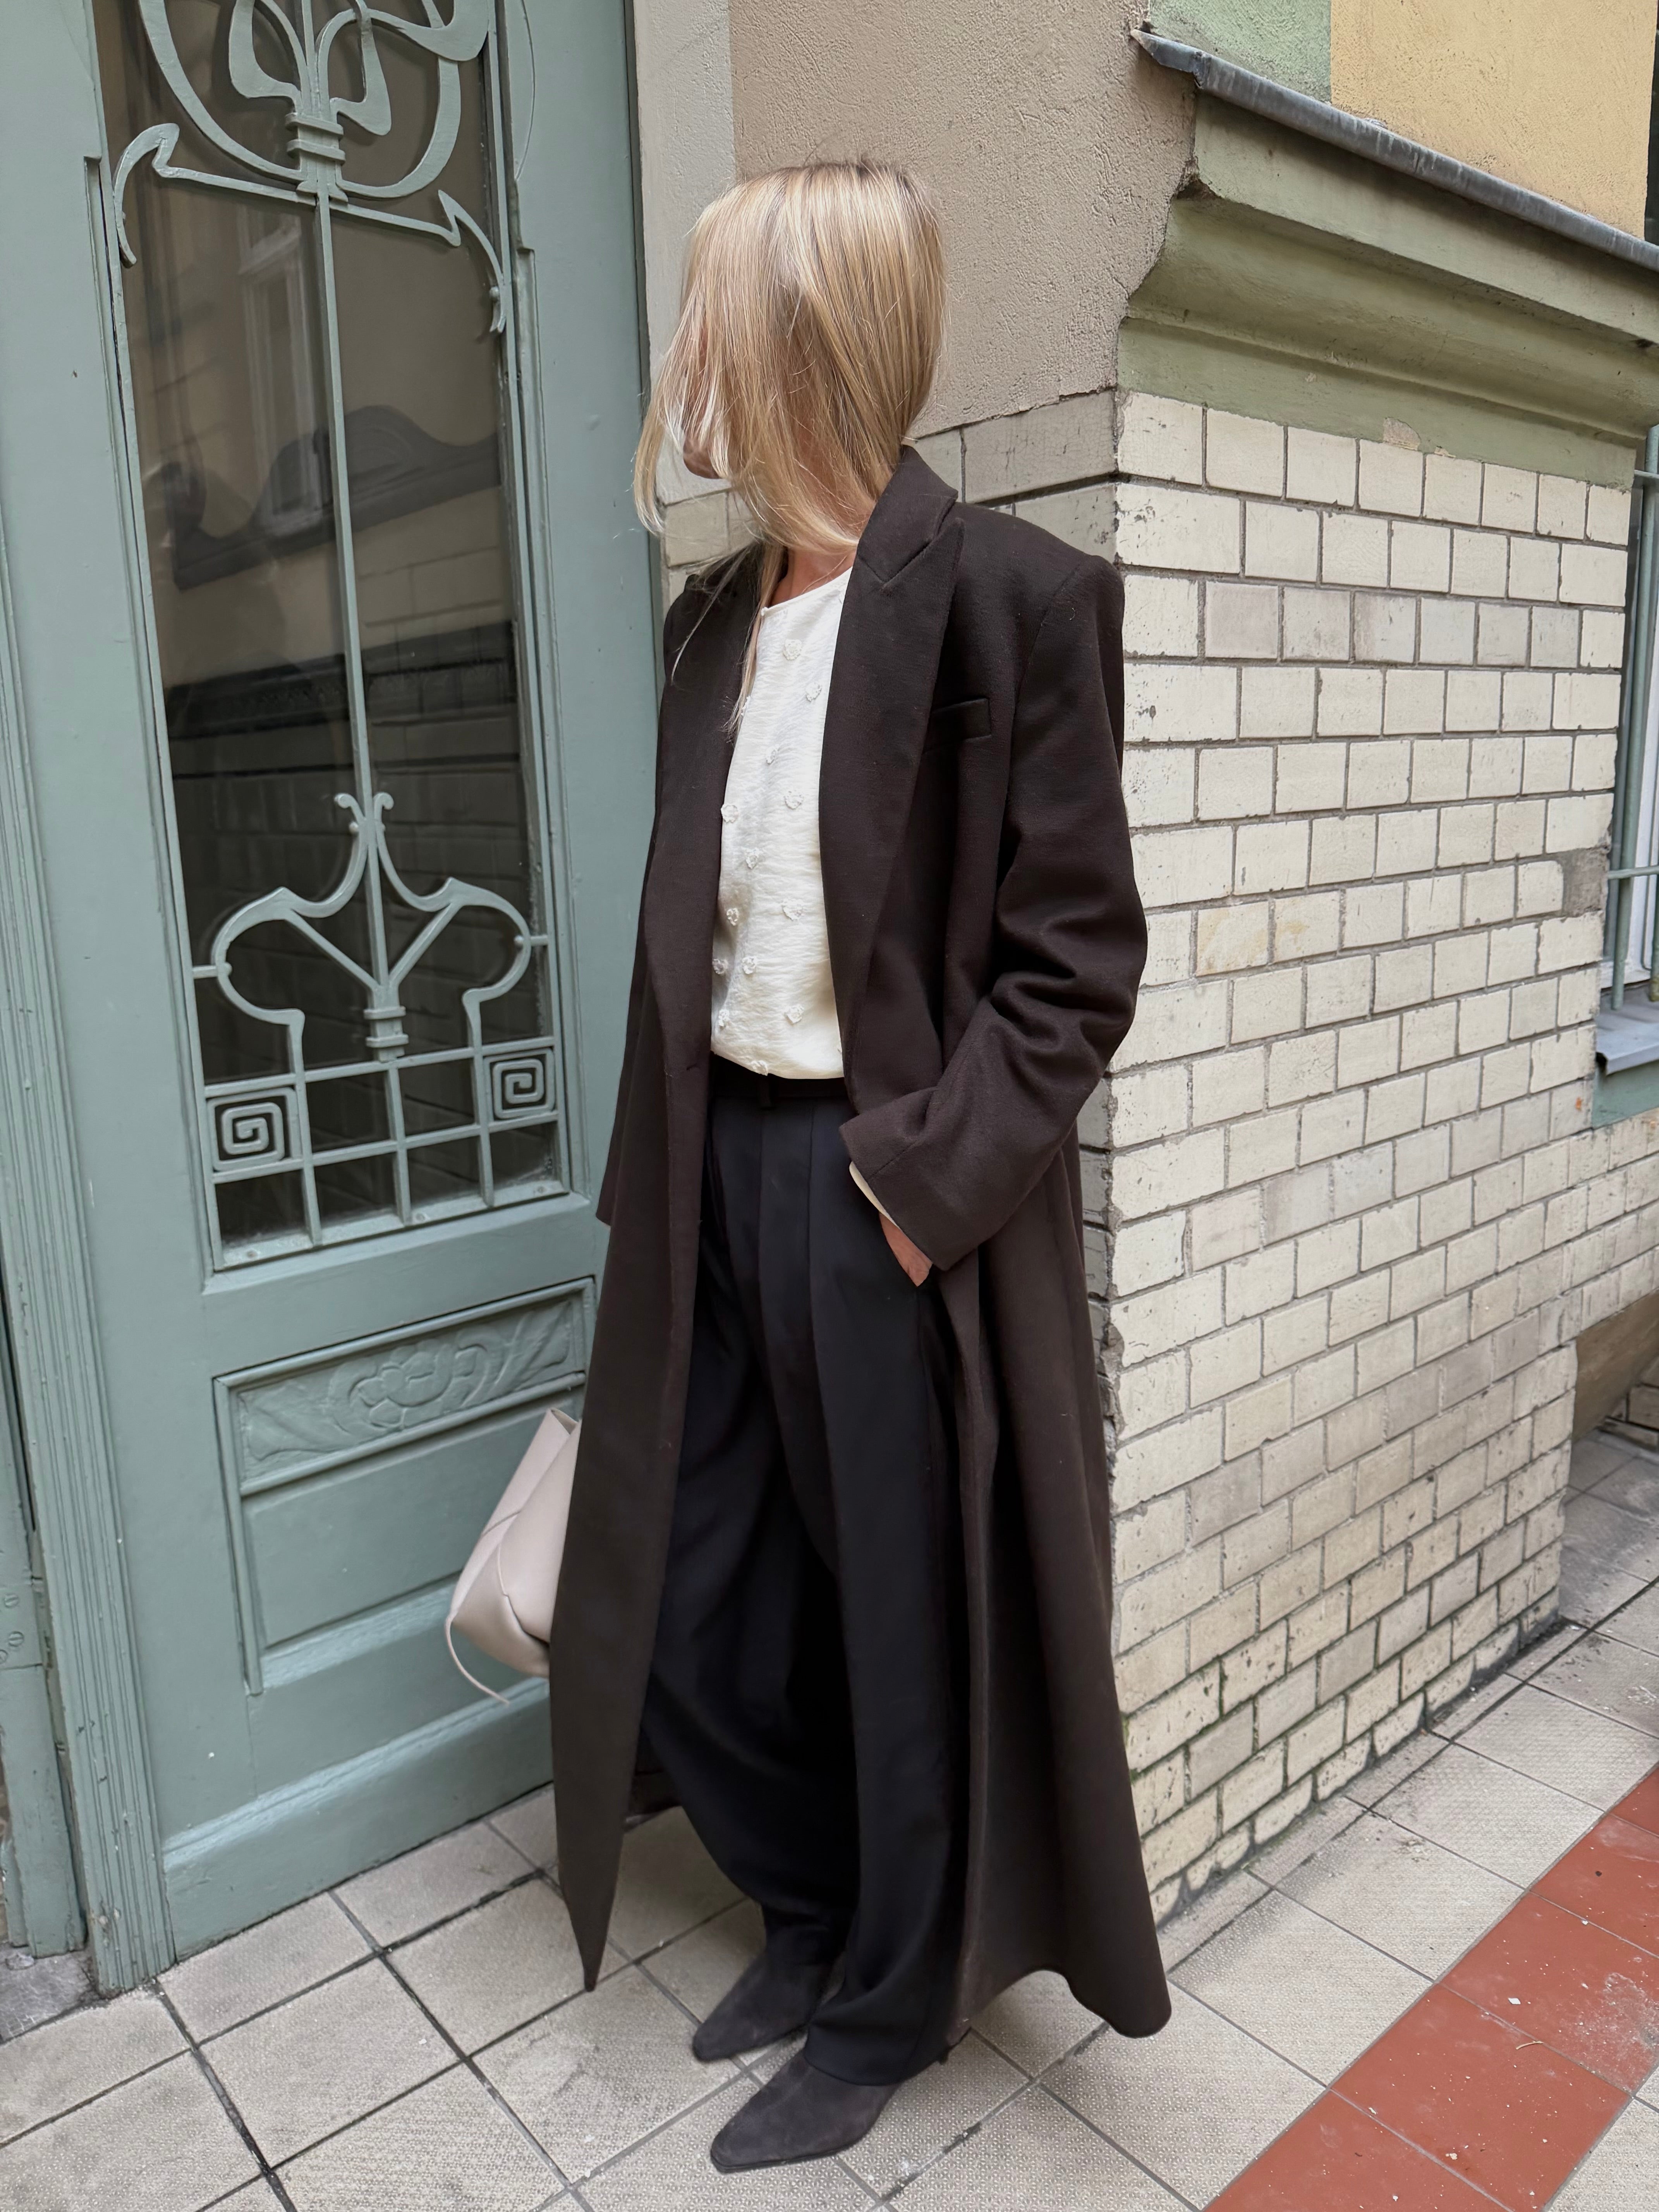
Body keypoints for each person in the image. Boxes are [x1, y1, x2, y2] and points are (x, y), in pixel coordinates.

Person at [548, 159, 1170, 2174]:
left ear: (798, 340)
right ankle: (813, 1912)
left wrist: (917, 1192)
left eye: (711, 314)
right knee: (701, 1598)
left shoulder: (1010, 601)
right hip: (715, 1175)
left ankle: (886, 1998)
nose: (685, 356)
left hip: (879, 1190)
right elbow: (700, 938)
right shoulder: (710, 623)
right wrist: (661, 1190)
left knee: (904, 1626)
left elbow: (1077, 966)